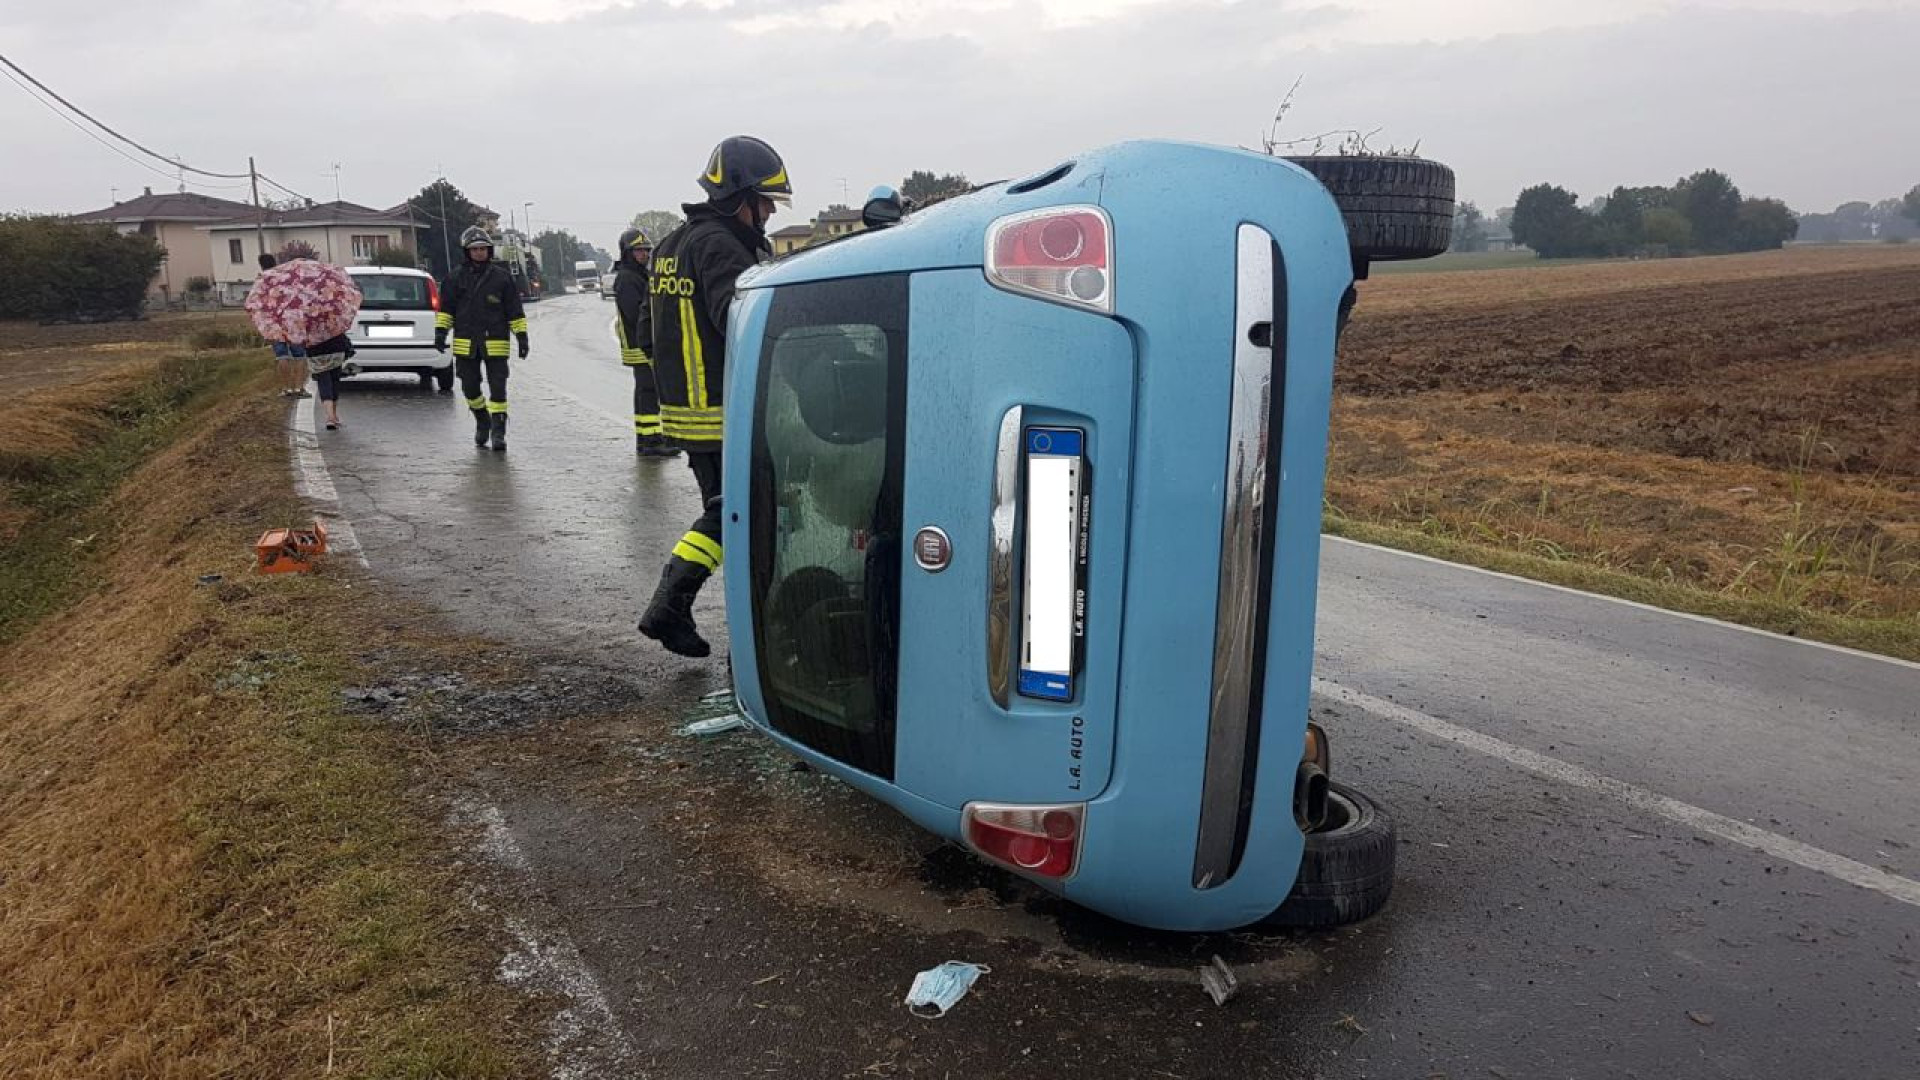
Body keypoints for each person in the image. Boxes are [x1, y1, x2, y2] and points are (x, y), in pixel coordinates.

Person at [636, 135, 790, 657]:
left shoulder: (671, 244)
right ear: (738, 198)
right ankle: (694, 618)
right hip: (726, 411)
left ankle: (679, 610)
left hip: (688, 412)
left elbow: (643, 332)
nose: (769, 212)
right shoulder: (721, 246)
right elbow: (742, 321)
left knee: (728, 514)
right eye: (765, 201)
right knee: (745, 519)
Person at [433, 227, 528, 451]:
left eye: (483, 249)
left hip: (496, 342)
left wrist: (522, 337)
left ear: (489, 250)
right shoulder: (454, 278)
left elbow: (515, 311)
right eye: (474, 249)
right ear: (467, 252)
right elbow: (447, 310)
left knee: (498, 390)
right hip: (466, 344)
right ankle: (482, 419)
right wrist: (440, 331)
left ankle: (498, 431)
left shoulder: (502, 278)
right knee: (469, 388)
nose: (479, 253)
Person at [612, 228, 678, 457]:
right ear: (627, 252)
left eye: (646, 250)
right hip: (639, 345)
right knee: (647, 392)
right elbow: (635, 313)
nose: (644, 254)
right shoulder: (628, 279)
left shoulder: (638, 274)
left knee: (647, 393)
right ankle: (650, 441)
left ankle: (649, 437)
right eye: (639, 250)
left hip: (643, 344)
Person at [259, 253, 309, 398]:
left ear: (261, 265)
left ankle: (286, 388)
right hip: (294, 320)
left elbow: (258, 303)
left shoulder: (262, 281)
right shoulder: (287, 277)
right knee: (299, 355)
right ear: (276, 262)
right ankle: (299, 388)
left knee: (282, 355)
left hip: (274, 321)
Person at [304, 330, 355, 430]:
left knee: (324, 383)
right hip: (336, 348)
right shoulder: (334, 315)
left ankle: (331, 417)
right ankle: (333, 416)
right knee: (334, 381)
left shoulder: (306, 317)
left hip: (316, 351)